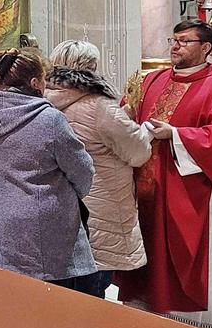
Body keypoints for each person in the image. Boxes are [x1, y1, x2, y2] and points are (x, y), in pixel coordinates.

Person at [116, 20, 212, 328]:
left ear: (206, 47)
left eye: (184, 41)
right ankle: (144, 315)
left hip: (189, 191)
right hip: (144, 190)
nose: (175, 46)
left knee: (186, 256)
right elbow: (126, 116)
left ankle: (189, 326)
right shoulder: (152, 81)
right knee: (144, 255)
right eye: (174, 40)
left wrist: (176, 135)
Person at [0, 49, 101, 292]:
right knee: (52, 302)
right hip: (41, 229)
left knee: (11, 296)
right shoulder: (49, 119)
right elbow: (82, 170)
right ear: (34, 83)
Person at [45, 40, 152, 297]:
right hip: (100, 205)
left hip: (56, 203)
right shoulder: (99, 105)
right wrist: (146, 130)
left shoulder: (43, 100)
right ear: (91, 66)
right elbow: (137, 152)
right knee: (93, 285)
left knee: (64, 288)